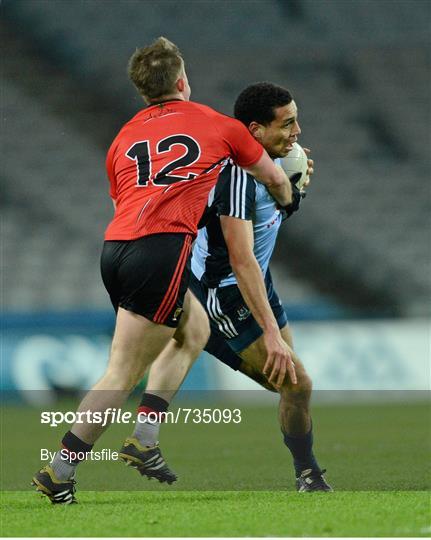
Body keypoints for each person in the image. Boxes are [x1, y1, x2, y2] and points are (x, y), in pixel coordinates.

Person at [32, 39, 294, 504]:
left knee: (194, 327)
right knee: (121, 373)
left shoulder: (123, 137)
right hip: (162, 251)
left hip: (115, 248)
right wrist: (293, 195)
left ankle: (144, 440)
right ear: (181, 81)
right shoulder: (219, 124)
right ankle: (59, 471)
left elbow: (121, 201)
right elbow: (274, 180)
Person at [140, 82, 332, 492]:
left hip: (256, 281)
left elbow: (267, 224)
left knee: (293, 389)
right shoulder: (236, 176)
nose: (297, 131)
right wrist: (268, 334)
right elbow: (240, 257)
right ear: (255, 130)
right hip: (227, 291)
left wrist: (292, 189)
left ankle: (307, 472)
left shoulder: (269, 163)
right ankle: (309, 474)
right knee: (296, 384)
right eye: (288, 123)